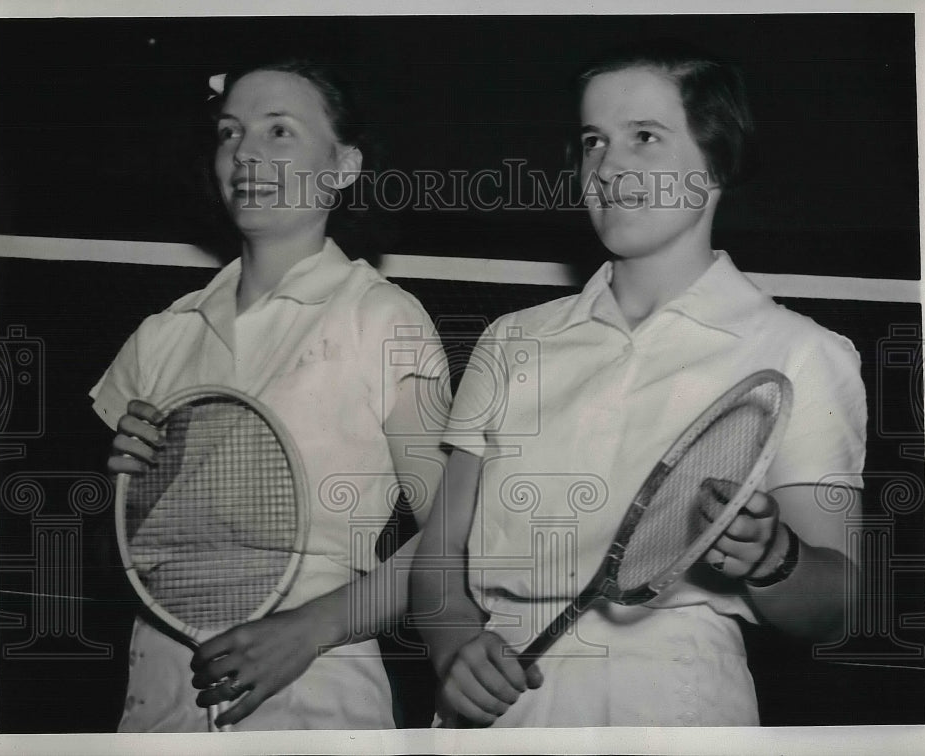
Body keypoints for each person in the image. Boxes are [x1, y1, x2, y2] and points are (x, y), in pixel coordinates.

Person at [410, 40, 867, 728]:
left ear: (715, 162)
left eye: (644, 137)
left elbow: (836, 606)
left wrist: (775, 558)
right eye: (593, 141)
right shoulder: (512, 339)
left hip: (673, 702)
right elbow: (439, 553)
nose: (608, 166)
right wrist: (453, 650)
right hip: (493, 701)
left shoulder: (804, 352)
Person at [92, 60, 449, 731]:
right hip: (157, 696)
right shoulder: (161, 335)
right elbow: (117, 551)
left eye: (279, 130)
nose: (246, 152)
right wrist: (130, 484)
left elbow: (454, 537)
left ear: (343, 166)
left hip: (313, 692)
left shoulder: (384, 318)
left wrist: (309, 630)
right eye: (230, 133)